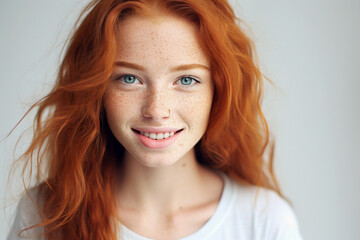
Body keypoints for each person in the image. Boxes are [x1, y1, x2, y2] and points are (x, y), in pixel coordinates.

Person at [7, 0, 302, 239]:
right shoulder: (45, 216)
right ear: (97, 89)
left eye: (186, 79)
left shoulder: (263, 221)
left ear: (219, 90)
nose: (156, 110)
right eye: (129, 78)